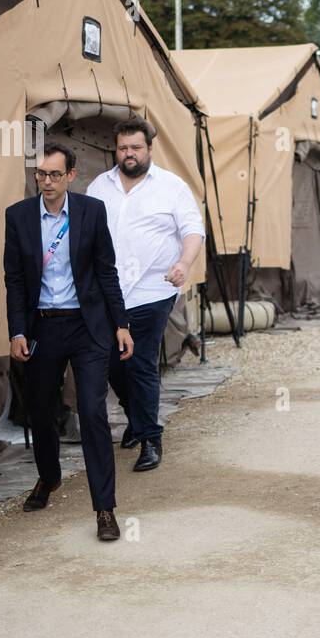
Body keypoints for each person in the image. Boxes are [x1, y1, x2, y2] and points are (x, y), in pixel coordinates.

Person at [4, 143, 134, 541]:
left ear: (71, 176)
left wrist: (121, 324)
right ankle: (49, 477)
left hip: (87, 326)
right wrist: (17, 330)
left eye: (54, 174)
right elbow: (15, 279)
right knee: (41, 410)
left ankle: (105, 508)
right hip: (43, 326)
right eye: (40, 174)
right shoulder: (18, 217)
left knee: (93, 412)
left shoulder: (92, 212)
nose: (46, 182)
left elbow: (106, 271)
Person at [86, 117, 204, 472]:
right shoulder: (98, 187)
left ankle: (151, 438)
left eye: (136, 147)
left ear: (149, 149)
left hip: (154, 289)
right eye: (123, 148)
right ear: (116, 150)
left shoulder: (172, 187)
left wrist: (184, 262)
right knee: (109, 362)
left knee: (140, 360)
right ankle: (135, 419)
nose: (129, 154)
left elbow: (193, 230)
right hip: (108, 293)